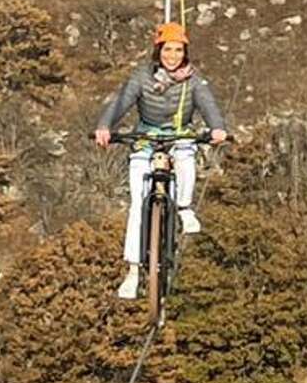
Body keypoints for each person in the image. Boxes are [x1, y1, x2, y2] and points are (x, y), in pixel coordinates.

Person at [94, 22, 230, 299]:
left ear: (185, 52)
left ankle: (184, 208)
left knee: (186, 157)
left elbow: (208, 105)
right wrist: (105, 126)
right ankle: (132, 271)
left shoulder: (193, 80)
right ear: (158, 51)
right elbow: (121, 102)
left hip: (179, 136)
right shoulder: (141, 77)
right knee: (136, 202)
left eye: (178, 50)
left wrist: (217, 128)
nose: (173, 56)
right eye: (168, 50)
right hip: (146, 137)